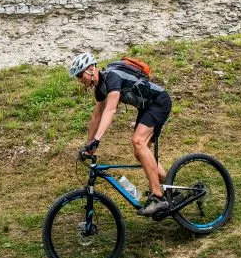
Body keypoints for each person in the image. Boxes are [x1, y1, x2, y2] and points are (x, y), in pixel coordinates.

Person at [68, 52, 173, 217]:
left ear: (90, 69)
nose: (79, 79)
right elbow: (96, 116)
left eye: (80, 74)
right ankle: (171, 188)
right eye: (77, 77)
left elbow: (110, 109)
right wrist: (88, 145)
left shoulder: (112, 77)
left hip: (159, 102)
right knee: (140, 153)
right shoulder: (100, 88)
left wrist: (97, 140)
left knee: (138, 142)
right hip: (147, 107)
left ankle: (158, 197)